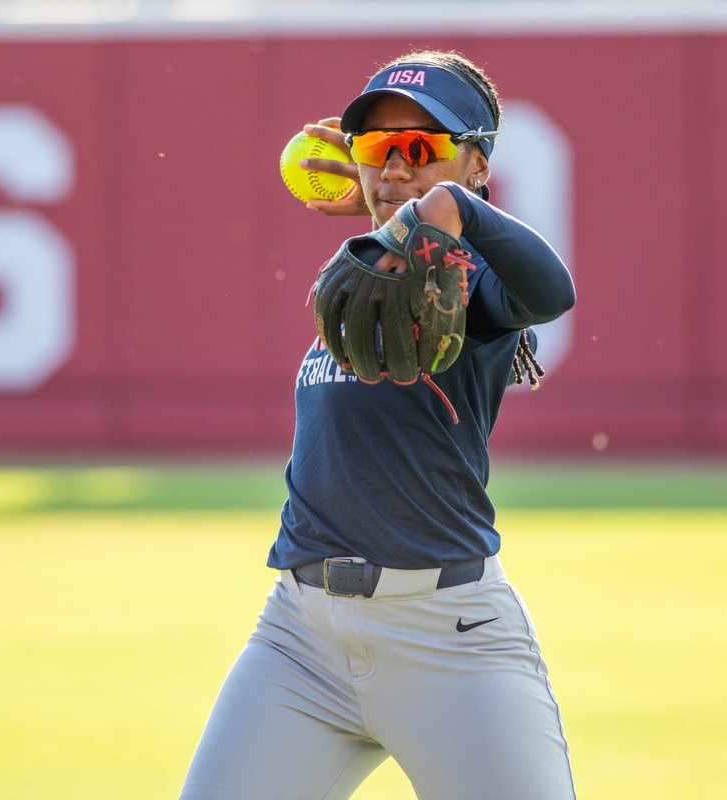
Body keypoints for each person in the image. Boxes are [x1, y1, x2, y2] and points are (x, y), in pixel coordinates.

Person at [180, 49, 577, 800]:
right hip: (300, 640)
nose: (394, 165)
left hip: (448, 639)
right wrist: (401, 204)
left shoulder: (474, 287)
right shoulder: (367, 269)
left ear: (478, 164)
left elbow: (551, 291)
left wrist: (450, 210)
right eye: (375, 146)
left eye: (421, 147)